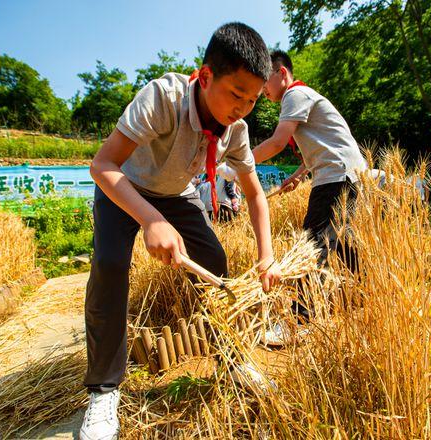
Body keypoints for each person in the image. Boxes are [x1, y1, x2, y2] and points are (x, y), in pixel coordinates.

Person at [79, 23, 280, 440]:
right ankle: (103, 390)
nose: (241, 108)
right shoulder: (163, 98)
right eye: (235, 94)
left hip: (178, 193)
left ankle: (231, 358)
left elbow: (256, 197)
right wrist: (151, 220)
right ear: (206, 77)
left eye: (252, 100)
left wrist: (267, 255)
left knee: (215, 262)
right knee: (110, 264)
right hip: (125, 185)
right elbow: (102, 166)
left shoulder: (237, 131)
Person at [251, 50, 366, 334]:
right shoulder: (303, 97)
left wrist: (240, 162)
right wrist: (298, 176)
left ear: (281, 73)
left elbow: (277, 143)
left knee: (311, 245)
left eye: (264, 81)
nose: (261, 89)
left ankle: (299, 319)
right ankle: (370, 291)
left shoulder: (295, 95)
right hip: (346, 173)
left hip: (334, 176)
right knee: (341, 241)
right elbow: (315, 150)